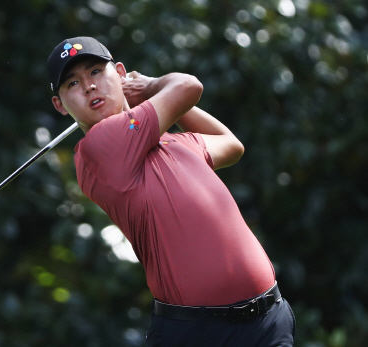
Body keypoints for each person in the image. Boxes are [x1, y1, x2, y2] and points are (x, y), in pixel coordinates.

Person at [47, 36, 295, 347]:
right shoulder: (99, 146)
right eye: (72, 83)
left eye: (96, 71)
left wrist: (161, 108)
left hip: (267, 321)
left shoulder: (174, 142)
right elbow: (188, 86)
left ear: (120, 74)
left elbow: (231, 145)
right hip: (198, 334)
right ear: (60, 104)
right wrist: (151, 87)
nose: (88, 86)